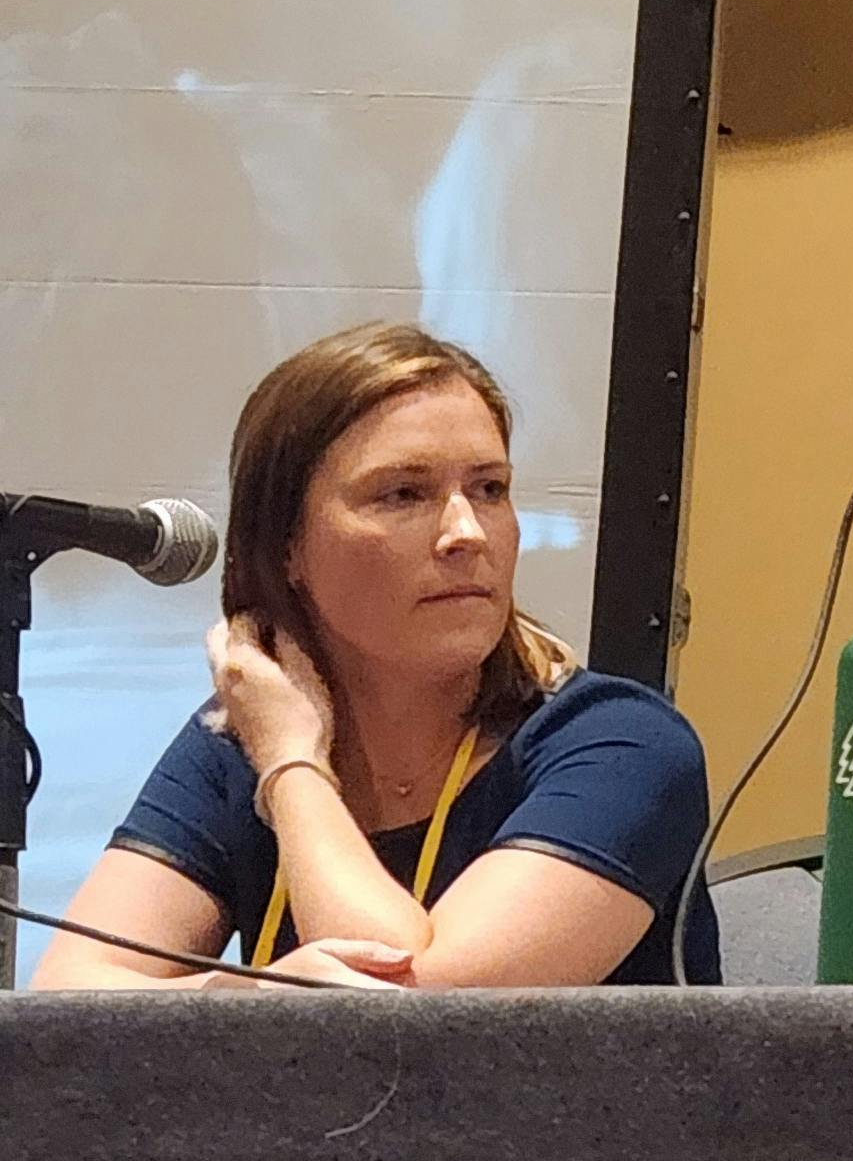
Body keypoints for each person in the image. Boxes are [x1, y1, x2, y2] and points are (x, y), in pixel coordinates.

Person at [35, 323, 718, 988]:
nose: (466, 532)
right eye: (403, 494)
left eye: (489, 489)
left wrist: (292, 766)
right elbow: (71, 998)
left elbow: (409, 1029)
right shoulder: (232, 743)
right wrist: (251, 996)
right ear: (285, 548)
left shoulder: (623, 745)